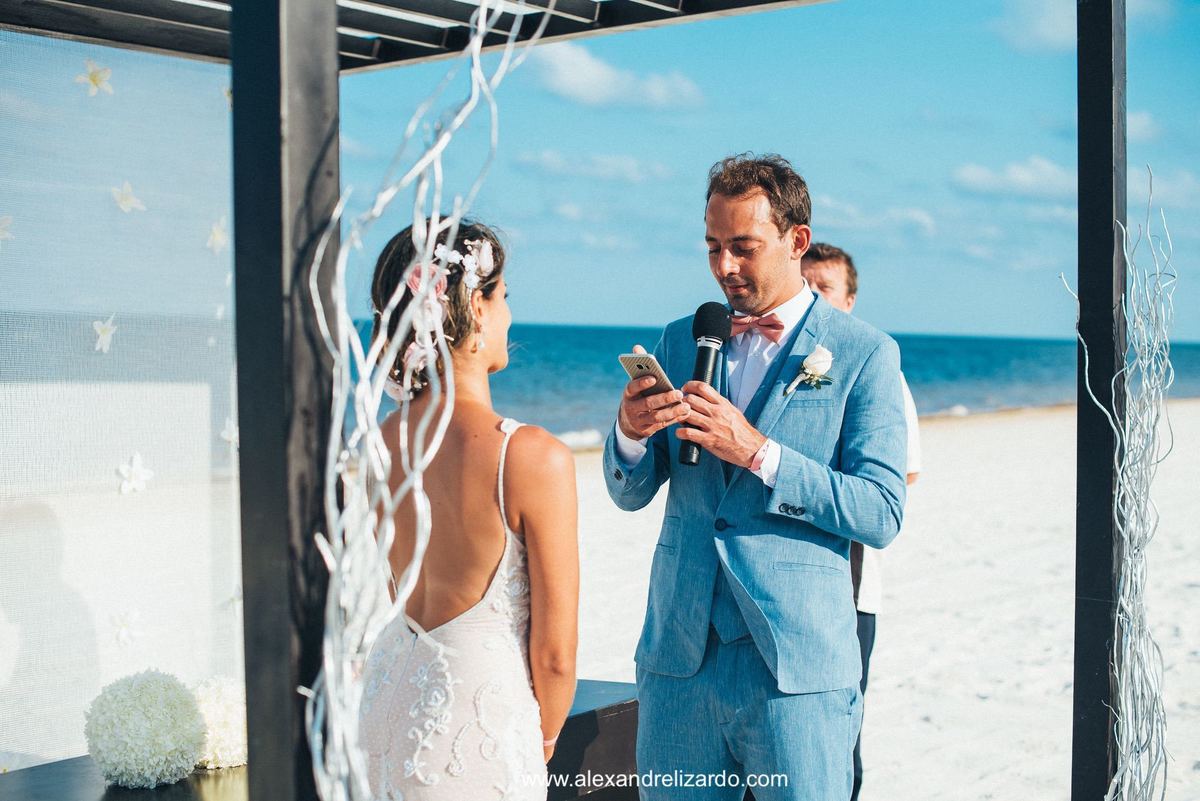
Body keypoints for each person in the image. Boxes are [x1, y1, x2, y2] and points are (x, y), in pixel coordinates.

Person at [604, 154, 908, 801]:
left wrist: (761, 453)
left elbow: (881, 509)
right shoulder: (680, 339)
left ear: (797, 241)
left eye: (743, 247)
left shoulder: (864, 354)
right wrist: (630, 432)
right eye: (713, 247)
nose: (724, 267)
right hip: (679, 660)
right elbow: (629, 490)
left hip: (795, 670)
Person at [357, 221, 579, 800]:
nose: (508, 316)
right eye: (503, 297)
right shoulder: (531, 457)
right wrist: (544, 738)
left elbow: (397, 586)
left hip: (390, 703)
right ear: (475, 309)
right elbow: (554, 654)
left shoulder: (380, 444)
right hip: (479, 722)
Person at [801, 243, 921, 801]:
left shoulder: (878, 371)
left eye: (823, 288)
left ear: (848, 302)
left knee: (839, 739)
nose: (811, 297)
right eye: (805, 285)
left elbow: (896, 483)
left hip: (850, 589)